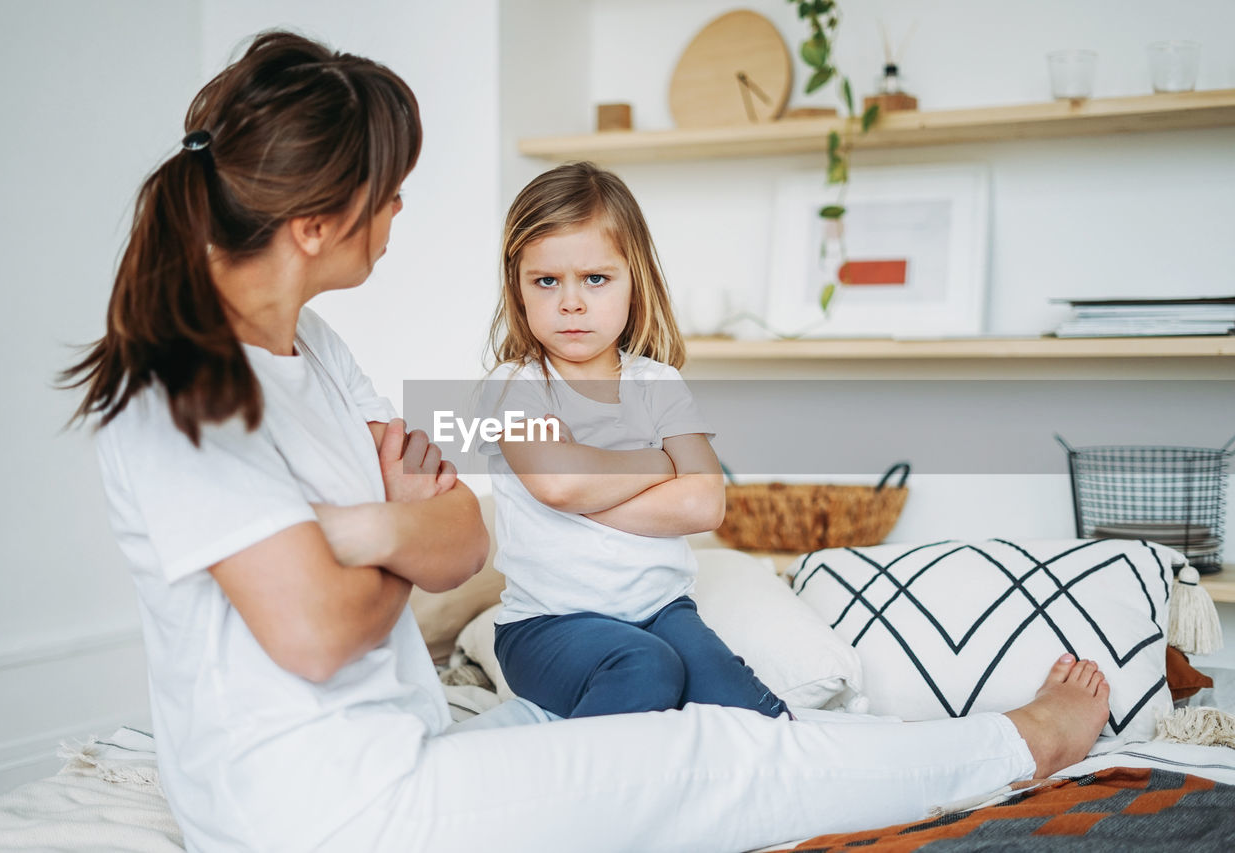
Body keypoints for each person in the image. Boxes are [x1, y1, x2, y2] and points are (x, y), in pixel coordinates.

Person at [64, 29, 1111, 853]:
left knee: (649, 719)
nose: (396, 214)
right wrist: (401, 529)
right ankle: (1013, 743)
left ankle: (900, 749)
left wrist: (365, 526)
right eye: (385, 196)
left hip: (401, 752)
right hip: (325, 818)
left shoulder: (315, 349)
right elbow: (317, 632)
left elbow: (464, 535)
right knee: (704, 757)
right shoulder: (176, 394)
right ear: (313, 224)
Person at [478, 162, 787, 720]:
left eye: (596, 279)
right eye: (547, 281)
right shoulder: (513, 387)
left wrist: (589, 477)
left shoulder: (659, 384)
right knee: (646, 667)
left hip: (663, 609)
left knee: (751, 715)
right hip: (546, 625)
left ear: (633, 279)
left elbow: (703, 503)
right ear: (518, 287)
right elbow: (558, 484)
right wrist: (662, 460)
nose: (571, 302)